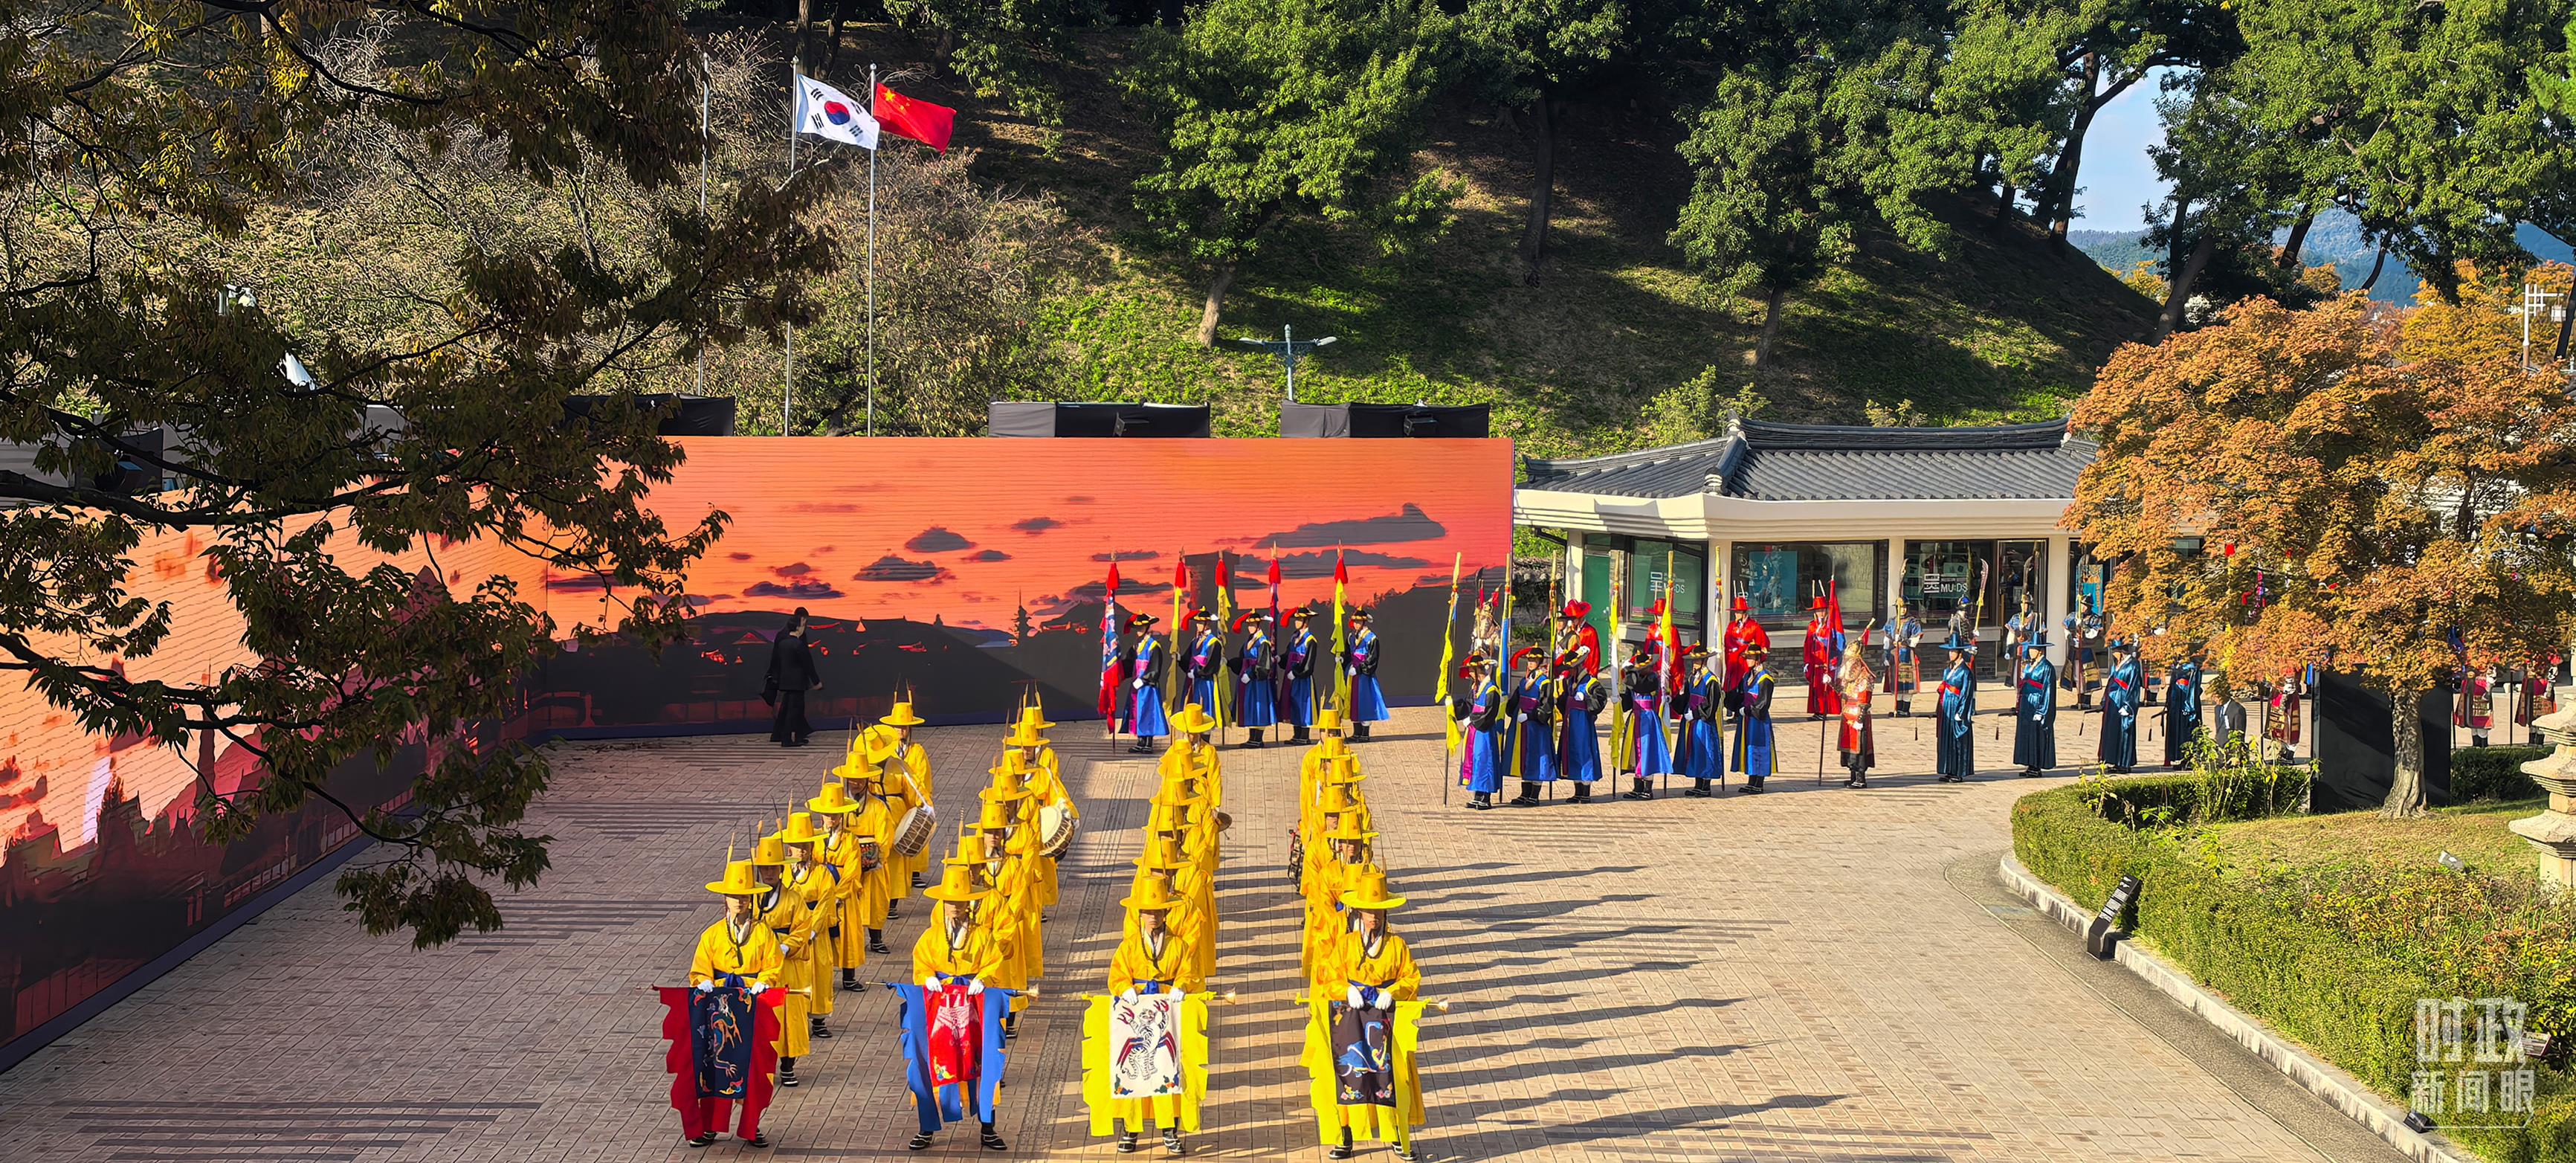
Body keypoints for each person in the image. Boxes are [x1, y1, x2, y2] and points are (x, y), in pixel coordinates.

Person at [1311, 868, 1424, 1162]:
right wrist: (1345, 989)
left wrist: (1394, 991)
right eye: (1369, 911)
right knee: (1349, 1073)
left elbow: (1412, 977)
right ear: (1359, 912)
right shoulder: (1346, 944)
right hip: (1351, 1018)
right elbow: (1328, 977)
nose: (1374, 917)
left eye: (1379, 912)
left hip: (1385, 1017)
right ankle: (1345, 1135)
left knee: (1391, 1075)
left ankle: (1396, 1133)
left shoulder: (1397, 946)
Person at [683, 856, 783, 1149]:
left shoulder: (763, 933)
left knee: (752, 1066)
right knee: (715, 1066)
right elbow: (699, 969)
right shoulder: (712, 935)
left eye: (744, 897)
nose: (739, 902)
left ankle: (751, 1125)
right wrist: (703, 981)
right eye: (734, 896)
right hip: (719, 1010)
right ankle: (710, 1126)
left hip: (751, 1007)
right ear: (725, 899)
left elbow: (773, 966)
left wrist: (765, 980)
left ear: (751, 900)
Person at [909, 865, 1009, 1153]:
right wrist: (927, 977)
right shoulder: (931, 936)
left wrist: (983, 978)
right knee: (934, 1061)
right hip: (940, 1007)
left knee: (981, 1060)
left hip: (973, 1007)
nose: (955, 907)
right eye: (950, 901)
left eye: (960, 902)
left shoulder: (983, 935)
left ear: (969, 904)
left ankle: (988, 1127)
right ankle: (927, 1127)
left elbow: (994, 962)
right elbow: (921, 963)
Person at [1106, 874, 1202, 1156]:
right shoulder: (1129, 946)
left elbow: (1189, 972)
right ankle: (1130, 1130)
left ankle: (1170, 1130)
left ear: (1166, 913)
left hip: (1167, 1014)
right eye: (1148, 912)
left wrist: (1181, 985)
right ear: (1140, 914)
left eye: (1158, 912)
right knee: (1133, 1069)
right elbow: (1117, 975)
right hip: (1137, 1013)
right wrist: (1124, 988)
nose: (1153, 917)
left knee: (1168, 1068)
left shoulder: (1179, 945)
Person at [750, 829, 819, 1089]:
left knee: (788, 1017)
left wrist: (786, 947)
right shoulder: (751, 898)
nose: (768, 873)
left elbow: (802, 929)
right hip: (760, 964)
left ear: (781, 870)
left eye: (773, 869)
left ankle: (788, 1066)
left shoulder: (793, 898)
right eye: (764, 869)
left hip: (787, 964)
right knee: (762, 1016)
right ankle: (762, 1065)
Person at [781, 813, 842, 1044]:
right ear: (789, 849)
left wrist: (813, 930)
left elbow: (826, 902)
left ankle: (818, 1021)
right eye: (797, 846)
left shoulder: (822, 873)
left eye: (806, 846)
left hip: (816, 933)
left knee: (819, 975)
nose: (802, 851)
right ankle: (795, 1019)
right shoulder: (783, 873)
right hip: (792, 931)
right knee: (795, 977)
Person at [810, 780, 874, 991]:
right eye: (828, 814)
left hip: (842, 894)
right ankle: (822, 977)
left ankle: (849, 977)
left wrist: (837, 895)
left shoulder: (850, 839)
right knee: (822, 937)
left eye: (835, 815)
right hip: (820, 893)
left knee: (847, 936)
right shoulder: (814, 838)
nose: (831, 818)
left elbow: (853, 870)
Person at [879, 700, 934, 889]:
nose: (900, 731)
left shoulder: (917, 751)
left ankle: (915, 872)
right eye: (897, 727)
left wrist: (920, 801)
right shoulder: (886, 751)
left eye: (904, 727)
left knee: (914, 831)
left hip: (912, 798)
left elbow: (922, 776)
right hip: (893, 801)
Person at [1618, 646, 1675, 800]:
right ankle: (1637, 786)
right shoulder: (1634, 679)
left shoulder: (1653, 678)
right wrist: (1619, 698)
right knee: (1635, 751)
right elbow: (1628, 702)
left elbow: (1642, 686)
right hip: (1635, 717)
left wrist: (1629, 676)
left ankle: (1648, 788)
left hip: (1648, 719)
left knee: (1647, 751)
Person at [1451, 652, 1505, 809]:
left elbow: (1489, 713)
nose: (1469, 674)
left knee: (1484, 761)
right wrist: (1453, 707)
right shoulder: (1475, 688)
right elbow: (1468, 705)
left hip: (1484, 731)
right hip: (1474, 731)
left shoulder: (1491, 689)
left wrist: (1473, 720)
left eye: (1470, 671)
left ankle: (1486, 797)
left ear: (1478, 670)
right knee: (1475, 760)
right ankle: (1477, 794)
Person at [1505, 648, 1557, 806]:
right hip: (1522, 725)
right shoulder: (1524, 681)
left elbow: (1546, 706)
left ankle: (1534, 795)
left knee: (1536, 757)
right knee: (1524, 757)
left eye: (1534, 660)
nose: (1531, 663)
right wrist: (1508, 706)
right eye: (1529, 660)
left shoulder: (1545, 683)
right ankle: (1525, 793)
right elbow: (1516, 699)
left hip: (1536, 726)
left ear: (1540, 662)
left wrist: (1532, 716)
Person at [1555, 649, 1607, 802]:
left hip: (1583, 724)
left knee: (1584, 752)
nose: (1570, 671)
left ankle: (1585, 792)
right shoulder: (1569, 682)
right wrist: (1558, 700)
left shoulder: (1591, 683)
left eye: (1572, 668)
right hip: (1570, 723)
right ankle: (1577, 790)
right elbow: (1564, 701)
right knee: (1572, 752)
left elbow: (1601, 700)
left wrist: (1586, 700)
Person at [764, 608, 820, 747]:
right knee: (794, 708)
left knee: (787, 707)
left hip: (784, 677)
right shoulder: (797, 642)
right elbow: (807, 662)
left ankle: (782, 734)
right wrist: (815, 681)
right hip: (796, 680)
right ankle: (789, 737)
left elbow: (776, 657)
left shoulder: (782, 638)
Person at [1726, 641, 1776, 793]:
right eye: (1747, 657)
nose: (1747, 660)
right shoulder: (1747, 675)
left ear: (1758, 659)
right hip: (1746, 718)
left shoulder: (1765, 678)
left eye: (1750, 658)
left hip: (1758, 719)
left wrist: (1749, 711)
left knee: (1759, 748)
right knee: (1749, 747)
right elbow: (1739, 694)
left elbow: (1763, 702)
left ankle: (1759, 783)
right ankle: (1751, 780)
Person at [1677, 643, 1726, 796]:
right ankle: (1697, 784)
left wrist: (1696, 714)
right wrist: (1673, 700)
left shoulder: (1711, 680)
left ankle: (1705, 786)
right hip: (1692, 721)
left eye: (1698, 661)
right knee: (1694, 752)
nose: (1695, 663)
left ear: (1705, 661)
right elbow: (1686, 697)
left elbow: (1711, 704)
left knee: (1705, 752)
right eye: (1694, 661)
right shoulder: (1692, 678)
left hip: (1704, 722)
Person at [1126, 613, 1172, 754]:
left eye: (1142, 627)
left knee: (1148, 711)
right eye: (1137, 628)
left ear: (1147, 627)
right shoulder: (1136, 645)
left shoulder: (1153, 646)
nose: (1139, 631)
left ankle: (1148, 742)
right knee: (1137, 711)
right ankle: (1140, 741)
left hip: (1148, 685)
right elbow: (1128, 661)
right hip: (1136, 684)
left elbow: (1155, 667)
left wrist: (1144, 679)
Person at [1934, 633, 1977, 783]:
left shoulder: (1966, 672)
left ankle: (1958, 771)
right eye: (1950, 651)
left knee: (1957, 739)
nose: (1950, 654)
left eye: (1953, 651)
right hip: (1946, 706)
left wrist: (1961, 712)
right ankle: (1948, 769)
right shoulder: (1949, 669)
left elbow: (1966, 694)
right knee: (1946, 738)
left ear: (1960, 653)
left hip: (1957, 706)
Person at [2013, 635, 2056, 776]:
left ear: (2040, 651)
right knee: (2027, 734)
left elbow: (2048, 690)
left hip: (2038, 702)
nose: (2031, 651)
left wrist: (2042, 711)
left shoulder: (2047, 667)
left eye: (2034, 649)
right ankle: (2029, 764)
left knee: (2036, 735)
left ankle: (2036, 766)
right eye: (2030, 649)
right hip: (2027, 704)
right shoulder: (2029, 666)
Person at [1233, 611, 1277, 747]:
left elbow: (1264, 663)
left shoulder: (1263, 642)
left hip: (1258, 680)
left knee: (1259, 707)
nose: (1250, 627)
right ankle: (1252, 738)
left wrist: (1251, 674)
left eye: (1253, 625)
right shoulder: (1250, 640)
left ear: (1258, 625)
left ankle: (1258, 739)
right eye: (1249, 625)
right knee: (1251, 707)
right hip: (1247, 679)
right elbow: (1243, 657)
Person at [1836, 637, 1875, 788]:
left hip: (1858, 714)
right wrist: (1830, 684)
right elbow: (1843, 693)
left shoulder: (1865, 676)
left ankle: (1860, 778)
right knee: (1849, 747)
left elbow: (1865, 698)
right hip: (1847, 714)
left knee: (1859, 748)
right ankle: (1852, 775)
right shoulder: (1849, 679)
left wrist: (1860, 718)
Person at [1343, 610, 1389, 741]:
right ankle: (1356, 733)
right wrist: (1342, 660)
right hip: (1352, 673)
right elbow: (1348, 654)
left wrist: (1359, 669)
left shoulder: (1372, 638)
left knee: (1365, 702)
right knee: (1353, 701)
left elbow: (1372, 659)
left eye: (1359, 622)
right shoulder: (1351, 637)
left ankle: (1365, 734)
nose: (1356, 624)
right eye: (1355, 621)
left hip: (1364, 676)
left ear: (1364, 622)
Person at [2099, 638, 2142, 773]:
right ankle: (2114, 760)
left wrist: (2129, 706)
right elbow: (2111, 682)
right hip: (2113, 703)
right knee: (2113, 731)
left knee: (2124, 731)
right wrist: (2105, 700)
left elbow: (2134, 687)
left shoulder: (2133, 665)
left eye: (2115, 651)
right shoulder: (2116, 665)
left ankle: (2124, 763)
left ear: (2121, 651)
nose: (2113, 654)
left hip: (2124, 700)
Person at [1282, 608, 1319, 744]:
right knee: (1294, 704)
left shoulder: (1310, 640)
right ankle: (1296, 735)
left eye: (1299, 619)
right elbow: (1288, 655)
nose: (1296, 622)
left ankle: (1304, 736)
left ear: (1306, 621)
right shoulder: (1294, 638)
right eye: (1296, 619)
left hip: (1303, 678)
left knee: (1304, 705)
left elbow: (1308, 664)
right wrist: (1280, 659)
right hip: (1291, 677)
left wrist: (1297, 673)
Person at [2164, 646, 2204, 767]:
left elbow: (2193, 688)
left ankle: (2190, 759)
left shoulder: (2192, 668)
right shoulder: (2177, 666)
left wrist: (2189, 706)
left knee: (2187, 730)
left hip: (2186, 702)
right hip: (2176, 703)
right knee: (2177, 730)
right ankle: (2180, 756)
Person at [1801, 596, 1840, 719]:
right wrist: (1807, 661)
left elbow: (1837, 645)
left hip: (1827, 662)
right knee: (1816, 688)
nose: (1821, 613)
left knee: (1826, 688)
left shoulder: (1831, 626)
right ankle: (1817, 711)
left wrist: (1834, 662)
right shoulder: (1812, 626)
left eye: (1823, 610)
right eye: (1818, 610)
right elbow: (1807, 644)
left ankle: (1824, 711)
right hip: (1815, 662)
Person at [1184, 609, 1224, 723]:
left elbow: (1211, 664)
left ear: (1207, 624)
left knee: (1205, 708)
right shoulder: (1195, 641)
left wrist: (1197, 672)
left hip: (1205, 680)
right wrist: (1179, 659)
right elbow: (1188, 657)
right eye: (1197, 623)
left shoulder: (1213, 642)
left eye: (1201, 623)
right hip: (1193, 681)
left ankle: (1206, 733)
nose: (1198, 625)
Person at [1722, 595, 1766, 693]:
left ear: (1744, 613)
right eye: (1736, 612)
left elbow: (1762, 643)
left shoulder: (1754, 627)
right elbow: (1727, 640)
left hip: (1746, 660)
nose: (1736, 614)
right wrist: (1734, 652)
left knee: (1745, 683)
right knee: (1732, 685)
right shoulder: (1731, 626)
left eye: (1738, 612)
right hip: (1734, 660)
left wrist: (1750, 653)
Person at [1888, 602, 1923, 716]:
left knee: (1907, 682)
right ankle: (1898, 709)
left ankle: (1905, 709)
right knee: (1897, 682)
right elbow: (1887, 639)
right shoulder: (1892, 621)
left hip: (1907, 655)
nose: (1902, 610)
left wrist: (1903, 641)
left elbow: (1915, 639)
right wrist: (1886, 653)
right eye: (1900, 607)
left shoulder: (1913, 622)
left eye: (1904, 607)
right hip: (1895, 655)